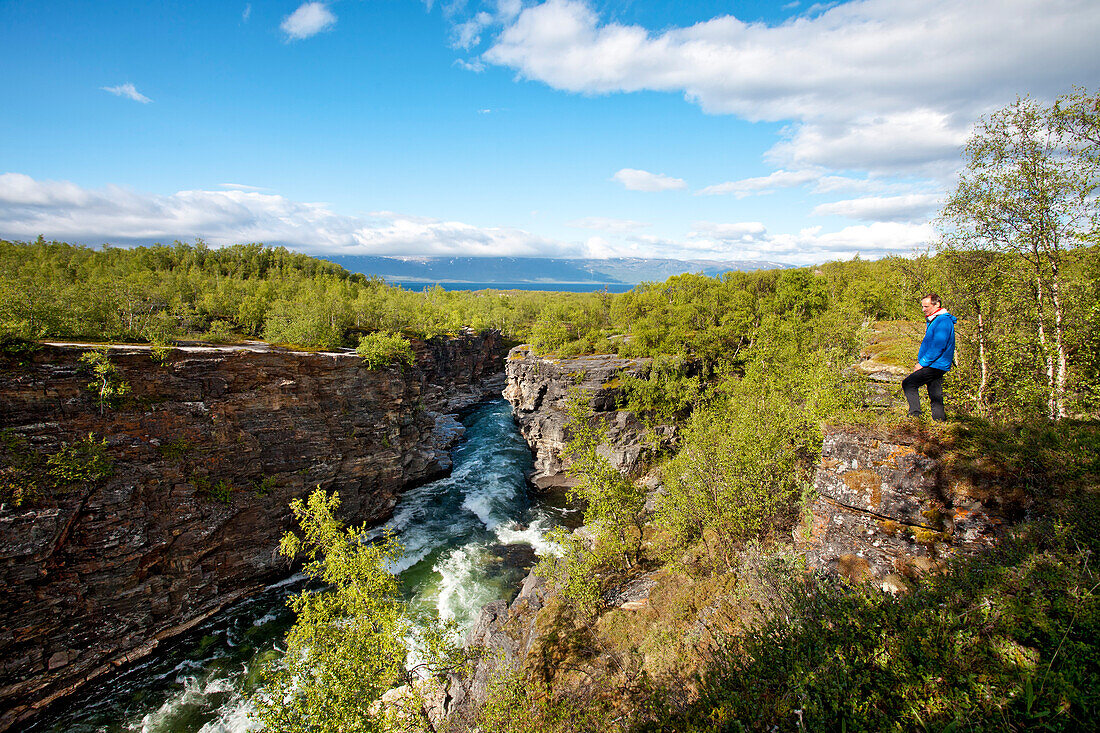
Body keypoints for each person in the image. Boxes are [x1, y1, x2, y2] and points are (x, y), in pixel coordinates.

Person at [902, 293, 956, 421]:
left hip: (936, 364)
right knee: (935, 394)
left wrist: (922, 363)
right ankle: (939, 421)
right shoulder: (935, 320)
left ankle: (915, 415)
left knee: (909, 383)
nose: (923, 309)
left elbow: (938, 346)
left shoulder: (943, 321)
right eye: (922, 306)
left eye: (926, 306)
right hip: (937, 364)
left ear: (937, 304)